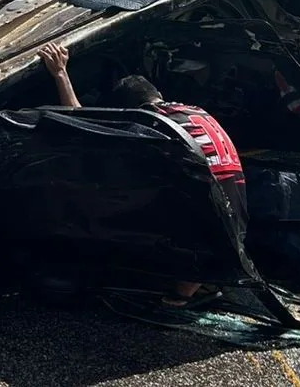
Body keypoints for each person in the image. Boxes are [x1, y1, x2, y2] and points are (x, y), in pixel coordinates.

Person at [38, 43, 245, 309]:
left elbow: (81, 123)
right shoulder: (192, 111)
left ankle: (177, 293)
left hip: (203, 215)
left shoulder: (150, 121)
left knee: (97, 199)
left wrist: (60, 74)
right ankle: (193, 283)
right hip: (234, 214)